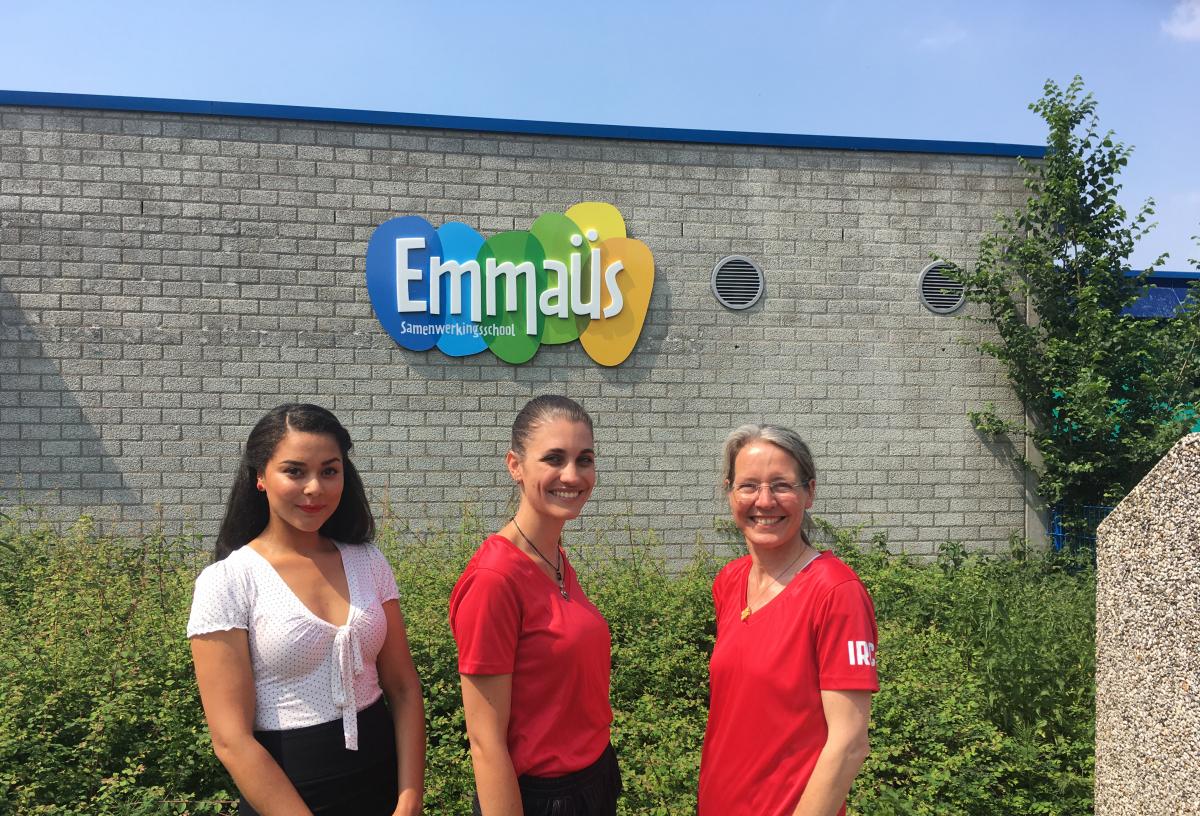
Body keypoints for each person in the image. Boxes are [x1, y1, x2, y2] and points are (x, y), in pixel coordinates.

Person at [187, 403, 425, 816]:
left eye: (329, 471)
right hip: (286, 796)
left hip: (382, 784)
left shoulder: (368, 562)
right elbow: (231, 740)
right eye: (295, 471)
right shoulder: (229, 581)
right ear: (260, 476)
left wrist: (410, 798)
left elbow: (403, 688)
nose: (315, 488)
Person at [449, 395, 620, 816]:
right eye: (554, 458)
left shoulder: (553, 557)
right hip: (543, 799)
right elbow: (485, 743)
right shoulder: (495, 579)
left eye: (584, 459)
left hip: (594, 780)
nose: (572, 475)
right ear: (515, 466)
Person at [698, 425, 879, 816]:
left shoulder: (836, 592)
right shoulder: (729, 581)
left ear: (808, 493)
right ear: (729, 492)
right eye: (748, 485)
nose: (764, 501)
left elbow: (850, 742)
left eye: (781, 485)